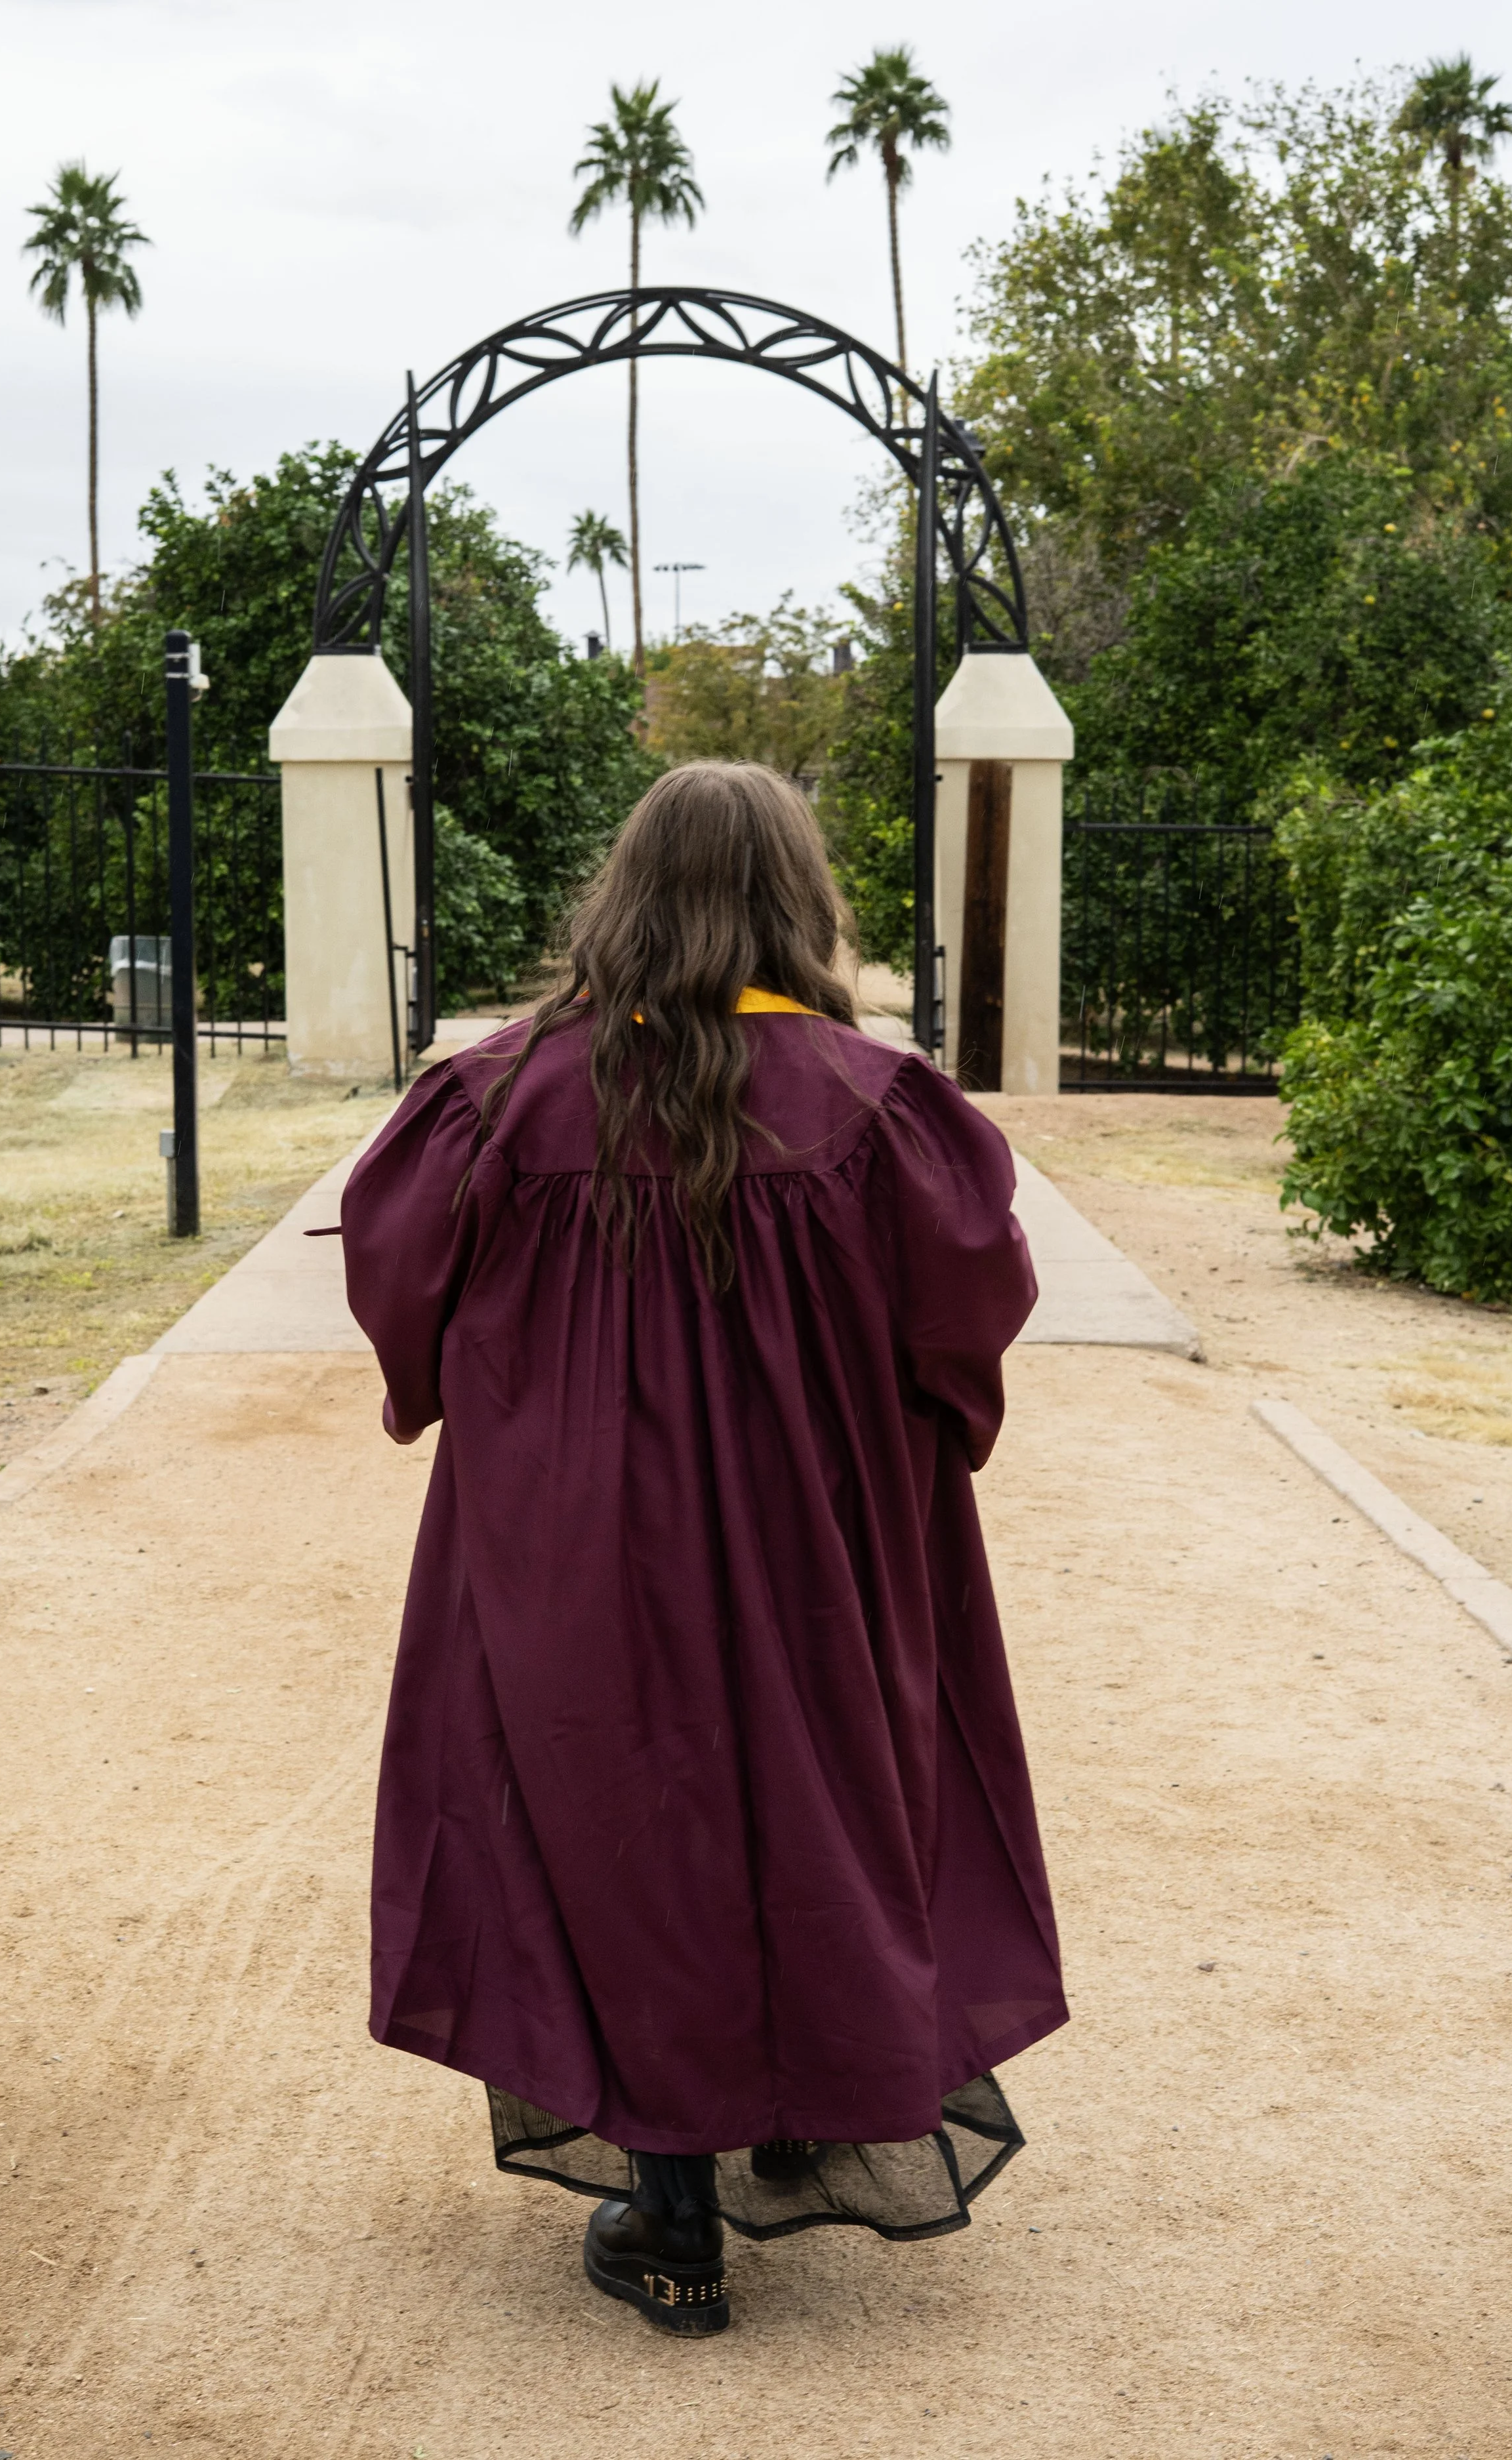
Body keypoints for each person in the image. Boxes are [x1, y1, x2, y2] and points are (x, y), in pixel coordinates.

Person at [341, 761, 1067, 2339]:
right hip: (815, 1539)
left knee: (608, 1818)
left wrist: (465, 1395)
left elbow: (400, 1292)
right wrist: (916, 1432)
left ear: (624, 891)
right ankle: (795, 2117)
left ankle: (672, 2220)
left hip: (563, 1542)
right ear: (797, 902)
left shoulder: (498, 1096)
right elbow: (966, 1318)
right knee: (810, 1794)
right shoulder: (874, 1109)